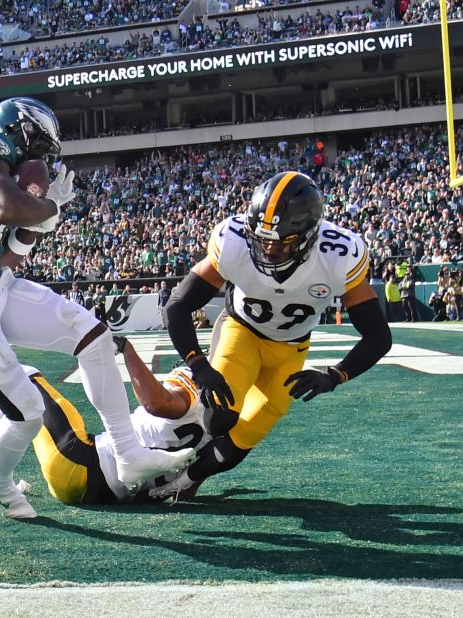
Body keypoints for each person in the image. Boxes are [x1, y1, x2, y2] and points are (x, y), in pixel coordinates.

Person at [0, 97, 194, 520]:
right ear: (21, 130)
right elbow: (9, 206)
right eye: (41, 146)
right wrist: (47, 208)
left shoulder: (3, 167)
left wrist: (39, 217)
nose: (43, 160)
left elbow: (6, 258)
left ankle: (129, 452)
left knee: (96, 338)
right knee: (27, 414)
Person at [154, 171, 392, 499]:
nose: (268, 249)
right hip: (242, 331)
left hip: (290, 350)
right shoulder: (234, 240)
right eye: (262, 239)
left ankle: (188, 479)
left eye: (280, 242)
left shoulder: (338, 255)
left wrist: (336, 375)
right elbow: (177, 306)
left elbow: (378, 336)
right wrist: (198, 366)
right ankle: (167, 448)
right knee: (219, 416)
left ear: (308, 235)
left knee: (247, 434)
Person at [0, 335, 211, 504]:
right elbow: (185, 491)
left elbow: (156, 402)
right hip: (102, 495)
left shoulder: (190, 386)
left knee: (29, 381)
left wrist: (127, 350)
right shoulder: (223, 430)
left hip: (79, 459)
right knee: (23, 420)